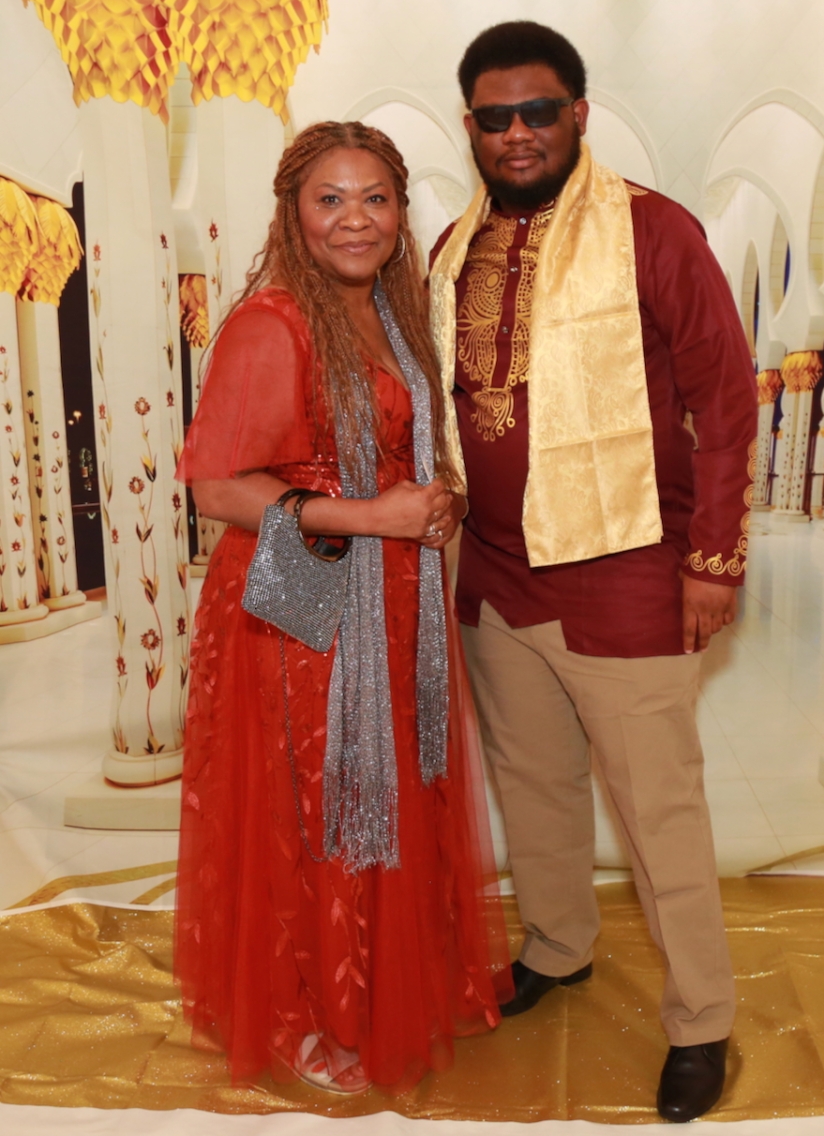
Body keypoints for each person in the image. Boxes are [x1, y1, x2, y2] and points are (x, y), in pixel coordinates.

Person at [429, 22, 757, 1122]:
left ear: (579, 113)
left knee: (658, 810)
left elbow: (726, 397)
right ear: (471, 126)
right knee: (533, 784)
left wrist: (712, 559)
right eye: (495, 118)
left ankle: (701, 1021)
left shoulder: (654, 230)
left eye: (538, 112)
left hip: (627, 573)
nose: (517, 134)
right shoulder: (453, 249)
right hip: (495, 572)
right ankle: (558, 946)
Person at [174, 121, 512, 1096]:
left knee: (384, 789)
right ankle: (308, 1013)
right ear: (294, 212)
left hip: (390, 592)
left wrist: (437, 501)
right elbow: (217, 487)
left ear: (401, 212)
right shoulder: (272, 321)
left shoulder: (391, 316)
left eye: (375, 198)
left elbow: (401, 450)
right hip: (302, 602)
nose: (354, 219)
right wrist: (372, 516)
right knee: (315, 800)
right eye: (330, 199)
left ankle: (377, 986)